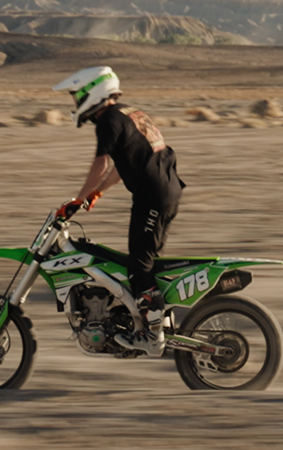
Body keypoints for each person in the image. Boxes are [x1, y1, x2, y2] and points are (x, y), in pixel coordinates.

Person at [52, 66, 187, 350]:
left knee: (139, 265)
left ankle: (152, 334)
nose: (76, 103)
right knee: (144, 262)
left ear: (93, 92)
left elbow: (100, 164)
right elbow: (122, 165)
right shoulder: (127, 113)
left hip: (154, 196)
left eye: (78, 96)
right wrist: (97, 191)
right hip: (162, 191)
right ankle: (151, 318)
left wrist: (76, 200)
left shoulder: (107, 120)